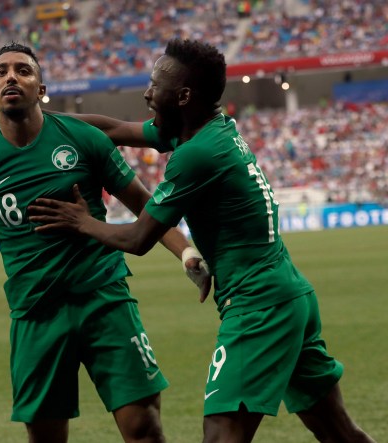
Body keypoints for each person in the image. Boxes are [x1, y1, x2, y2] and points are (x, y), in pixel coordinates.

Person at [25, 39, 375, 443]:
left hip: (259, 306)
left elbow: (139, 237)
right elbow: (112, 129)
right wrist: (33, 114)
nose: (146, 93)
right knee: (340, 434)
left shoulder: (197, 154)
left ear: (184, 96)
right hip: (289, 295)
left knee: (221, 434)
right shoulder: (210, 130)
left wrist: (82, 221)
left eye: (155, 86)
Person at [0, 43, 209, 443]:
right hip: (35, 316)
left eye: (23, 71)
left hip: (104, 301)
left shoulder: (83, 138)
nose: (11, 77)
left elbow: (146, 207)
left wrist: (186, 251)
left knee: (145, 429)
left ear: (41, 88)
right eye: (1, 72)